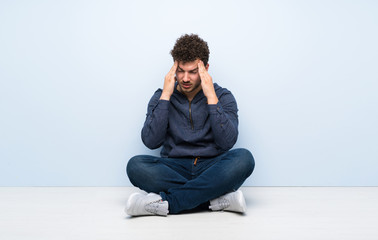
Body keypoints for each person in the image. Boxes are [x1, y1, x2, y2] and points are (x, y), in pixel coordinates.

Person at [125, 34, 255, 216]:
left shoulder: (223, 96)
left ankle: (168, 203)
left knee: (244, 159)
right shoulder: (161, 96)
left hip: (211, 167)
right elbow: (150, 141)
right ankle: (214, 200)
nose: (185, 78)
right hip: (174, 168)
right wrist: (165, 97)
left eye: (193, 71)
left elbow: (227, 142)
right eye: (180, 70)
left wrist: (211, 97)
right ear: (173, 68)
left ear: (205, 69)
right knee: (135, 166)